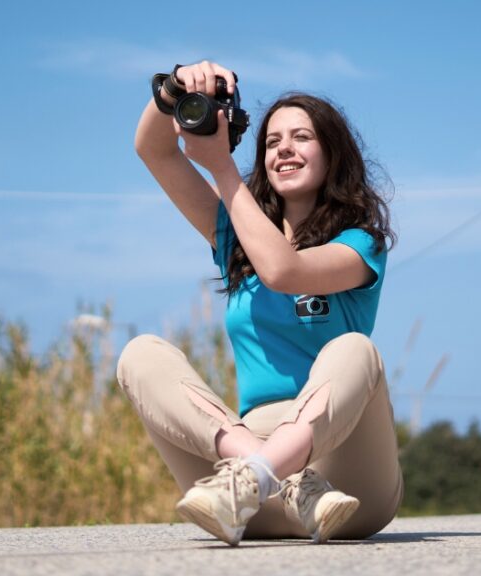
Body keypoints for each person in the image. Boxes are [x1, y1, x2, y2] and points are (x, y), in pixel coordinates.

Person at [116, 61, 402, 546]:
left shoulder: (360, 244)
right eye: (271, 142)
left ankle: (263, 473)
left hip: (344, 489)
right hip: (245, 496)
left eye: (301, 138)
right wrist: (177, 87)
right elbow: (153, 149)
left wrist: (222, 168)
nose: (284, 149)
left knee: (355, 349)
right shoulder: (234, 237)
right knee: (139, 354)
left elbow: (283, 271)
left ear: (333, 154)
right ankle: (266, 475)